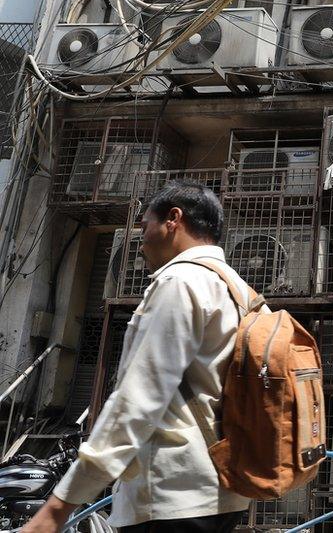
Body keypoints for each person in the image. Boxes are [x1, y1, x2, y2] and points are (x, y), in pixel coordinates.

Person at [24, 180, 253, 533]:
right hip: (224, 491)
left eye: (145, 225)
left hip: (171, 494)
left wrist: (59, 506)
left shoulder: (180, 282)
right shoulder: (239, 290)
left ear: (173, 219)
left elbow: (137, 399)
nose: (141, 239)